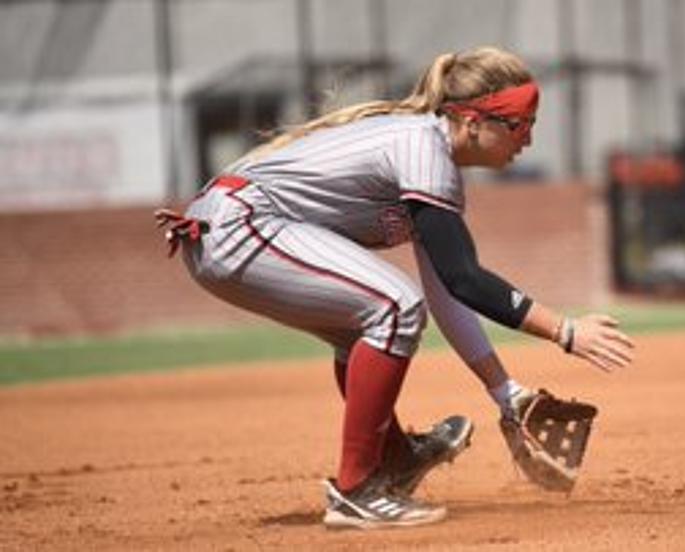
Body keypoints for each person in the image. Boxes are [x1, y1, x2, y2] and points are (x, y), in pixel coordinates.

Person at [155, 46, 634, 530]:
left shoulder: (432, 162)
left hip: (235, 228)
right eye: (518, 124)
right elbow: (465, 278)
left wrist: (503, 391)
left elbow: (449, 293)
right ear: (471, 121)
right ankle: (356, 490)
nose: (528, 138)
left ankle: (397, 459)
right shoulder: (421, 148)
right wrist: (565, 331)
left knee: (368, 325)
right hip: (239, 226)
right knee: (393, 305)